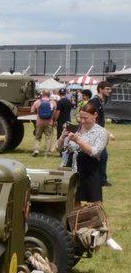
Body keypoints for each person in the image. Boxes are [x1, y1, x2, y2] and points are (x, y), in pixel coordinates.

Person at [61, 99, 120, 248]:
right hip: (73, 168)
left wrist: (78, 140)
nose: (82, 121)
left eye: (85, 118)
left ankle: (108, 237)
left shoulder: (101, 132)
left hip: (90, 168)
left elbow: (95, 152)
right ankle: (78, 235)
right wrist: (63, 137)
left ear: (95, 116)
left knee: (95, 204)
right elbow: (62, 148)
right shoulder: (77, 128)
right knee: (75, 203)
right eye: (80, 118)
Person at [93, 80, 114, 186]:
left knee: (102, 157)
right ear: (100, 89)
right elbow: (93, 119)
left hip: (100, 132)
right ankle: (101, 181)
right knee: (101, 156)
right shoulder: (95, 101)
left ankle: (101, 180)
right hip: (95, 133)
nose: (109, 91)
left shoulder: (102, 101)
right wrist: (107, 133)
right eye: (107, 89)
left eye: (110, 89)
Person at [31, 88, 56, 156]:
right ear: (49, 95)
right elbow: (54, 112)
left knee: (38, 137)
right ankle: (46, 152)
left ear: (42, 94)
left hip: (39, 122)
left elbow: (32, 111)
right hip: (49, 122)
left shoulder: (37, 102)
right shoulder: (53, 102)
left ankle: (36, 150)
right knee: (48, 137)